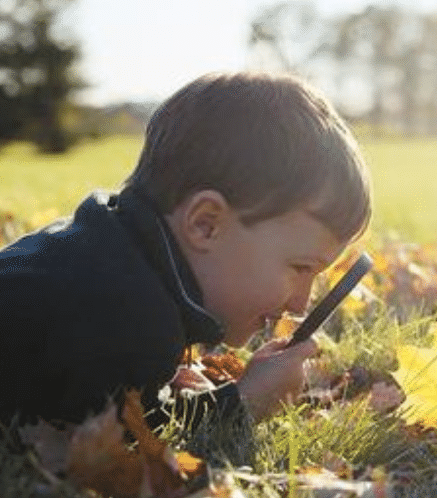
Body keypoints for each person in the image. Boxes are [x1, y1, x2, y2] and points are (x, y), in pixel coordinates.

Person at [0, 71, 371, 462]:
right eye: (299, 268)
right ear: (205, 224)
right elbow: (117, 447)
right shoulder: (126, 315)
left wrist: (154, 381)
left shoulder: (107, 252)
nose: (300, 304)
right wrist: (243, 403)